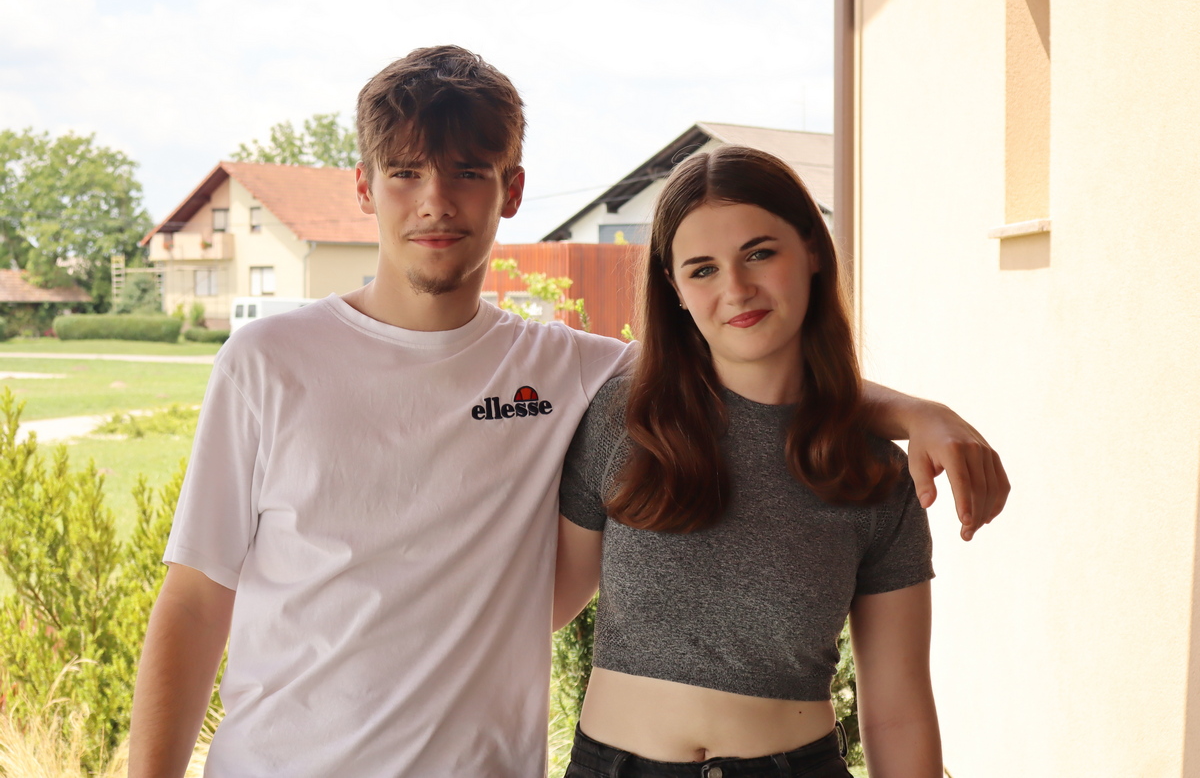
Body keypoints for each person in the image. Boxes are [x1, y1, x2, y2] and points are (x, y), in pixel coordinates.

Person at [128, 47, 1007, 778]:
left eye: (468, 172)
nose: (435, 201)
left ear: (511, 189)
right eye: (404, 173)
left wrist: (913, 412)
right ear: (364, 187)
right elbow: (196, 602)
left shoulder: (571, 372)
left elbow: (747, 356)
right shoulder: (268, 361)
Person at [555, 145, 992, 777]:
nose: (736, 289)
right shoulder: (624, 419)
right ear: (674, 288)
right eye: (703, 269)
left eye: (759, 253)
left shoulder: (873, 473)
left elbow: (898, 711)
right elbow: (544, 604)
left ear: (812, 250)